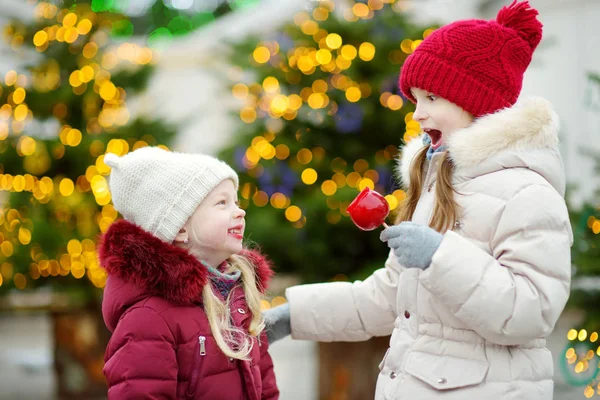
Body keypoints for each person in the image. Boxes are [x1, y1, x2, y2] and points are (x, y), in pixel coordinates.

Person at [263, 1, 573, 398]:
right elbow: (387, 296)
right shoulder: (437, 185)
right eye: (415, 99)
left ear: (474, 98)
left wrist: (439, 257)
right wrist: (295, 316)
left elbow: (530, 313)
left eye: (431, 98)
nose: (416, 114)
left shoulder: (528, 193)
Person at [99, 147, 279, 400]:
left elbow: (265, 385)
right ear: (180, 227)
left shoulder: (239, 299)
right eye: (222, 203)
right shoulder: (149, 318)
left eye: (236, 202)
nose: (240, 211)